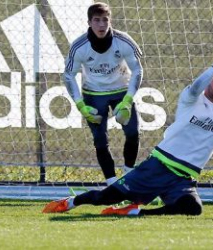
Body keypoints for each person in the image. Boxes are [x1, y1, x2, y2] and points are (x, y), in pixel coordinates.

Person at [43, 44, 213, 216]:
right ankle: (70, 203)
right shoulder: (191, 98)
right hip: (158, 165)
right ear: (210, 81)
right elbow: (197, 85)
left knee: (193, 209)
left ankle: (135, 211)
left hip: (183, 176)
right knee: (105, 197)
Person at [64, 2, 143, 186]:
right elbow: (68, 75)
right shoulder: (79, 46)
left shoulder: (124, 41)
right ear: (89, 22)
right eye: (97, 20)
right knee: (100, 141)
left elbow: (138, 70)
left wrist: (128, 100)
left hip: (121, 92)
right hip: (93, 94)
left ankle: (128, 177)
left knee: (133, 133)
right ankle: (112, 184)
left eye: (105, 20)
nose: (101, 25)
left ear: (110, 21)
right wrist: (80, 105)